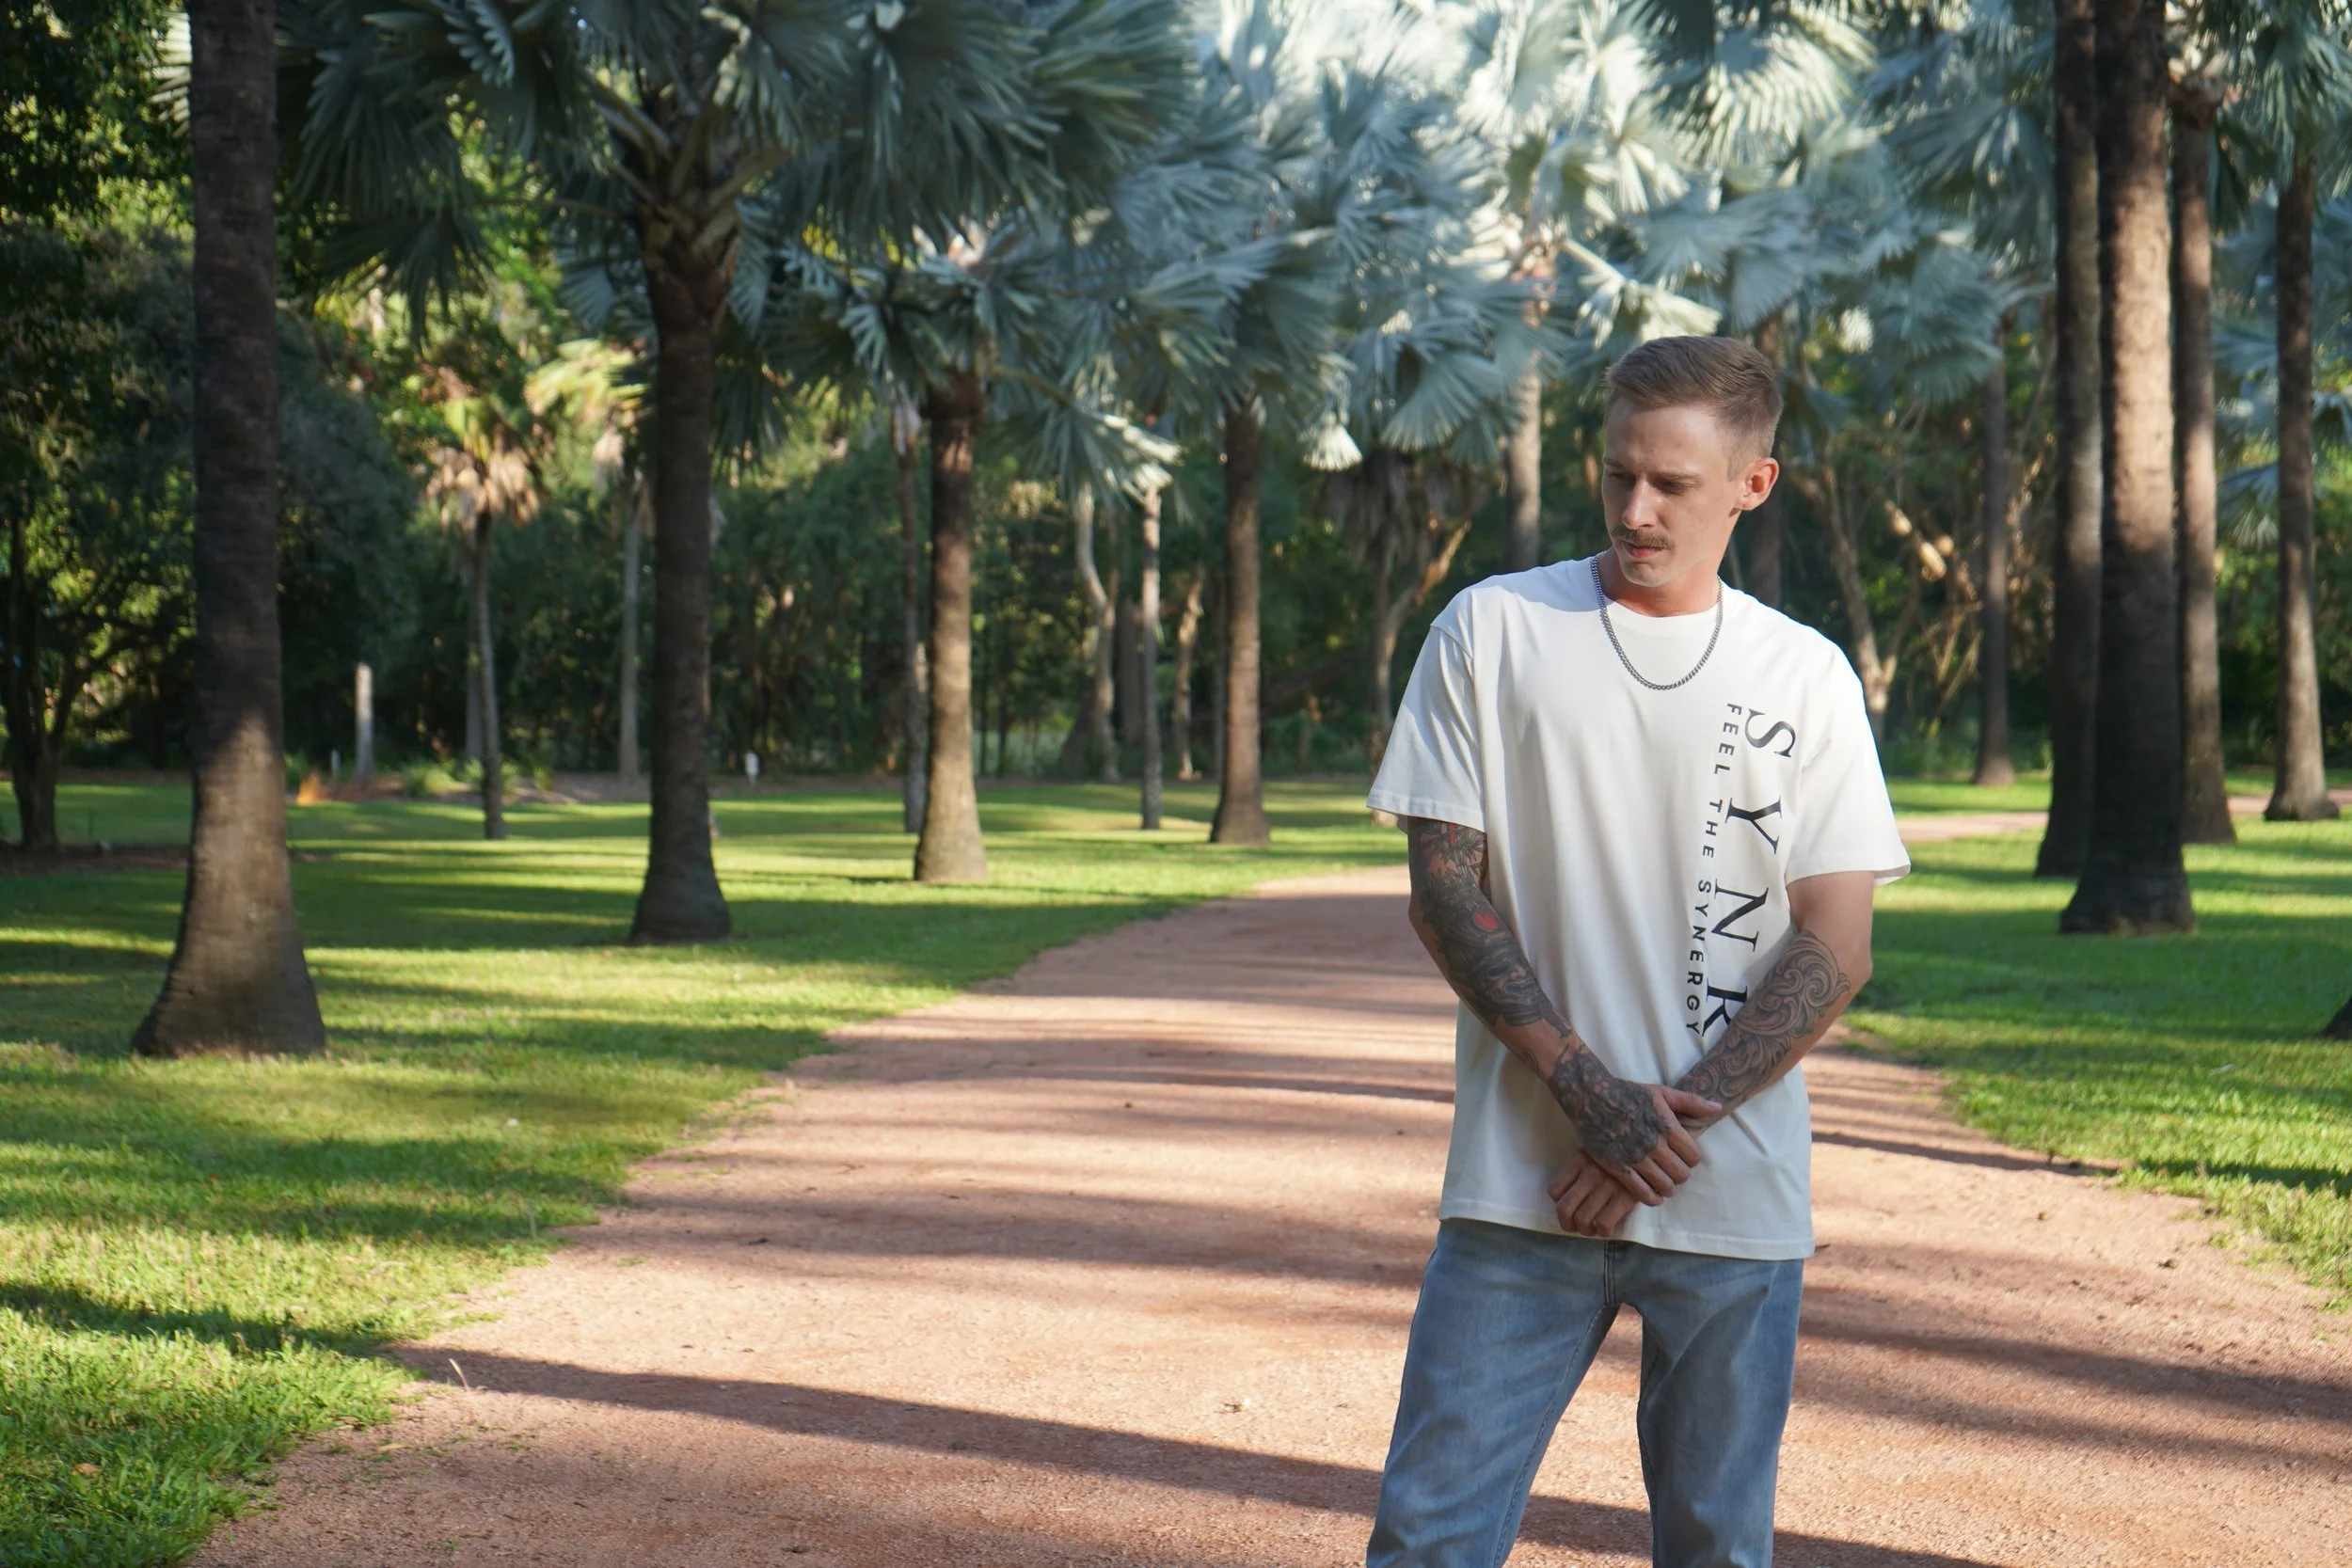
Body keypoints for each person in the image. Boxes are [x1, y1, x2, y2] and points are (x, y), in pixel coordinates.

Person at [1362, 335, 1909, 1568]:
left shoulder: (1807, 676)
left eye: (1671, 483)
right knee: (1430, 1536)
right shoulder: (1493, 630)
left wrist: (1661, 1123)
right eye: (1617, 477)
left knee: (1717, 1544)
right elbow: (1446, 895)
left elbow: (1836, 944)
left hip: (1734, 1201)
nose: (1635, 509)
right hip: (1519, 1189)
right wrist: (1579, 1085)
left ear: (1751, 487)